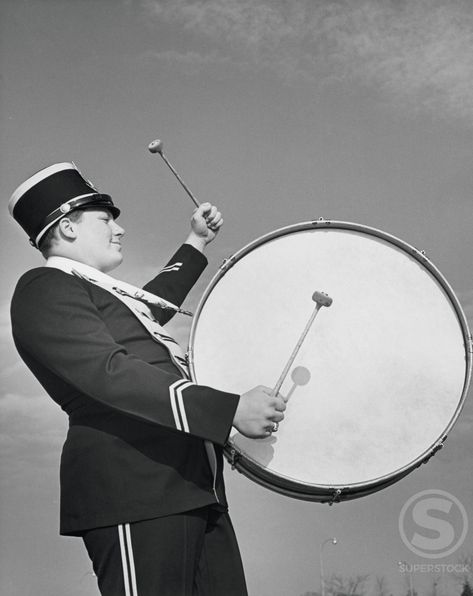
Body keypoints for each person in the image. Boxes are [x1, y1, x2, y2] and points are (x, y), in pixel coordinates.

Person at [9, 162, 286, 596]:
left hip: (194, 488)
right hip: (135, 491)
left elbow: (150, 307)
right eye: (105, 220)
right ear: (66, 228)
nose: (119, 230)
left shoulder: (98, 293)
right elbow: (111, 373)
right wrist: (228, 409)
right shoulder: (43, 287)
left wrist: (195, 242)